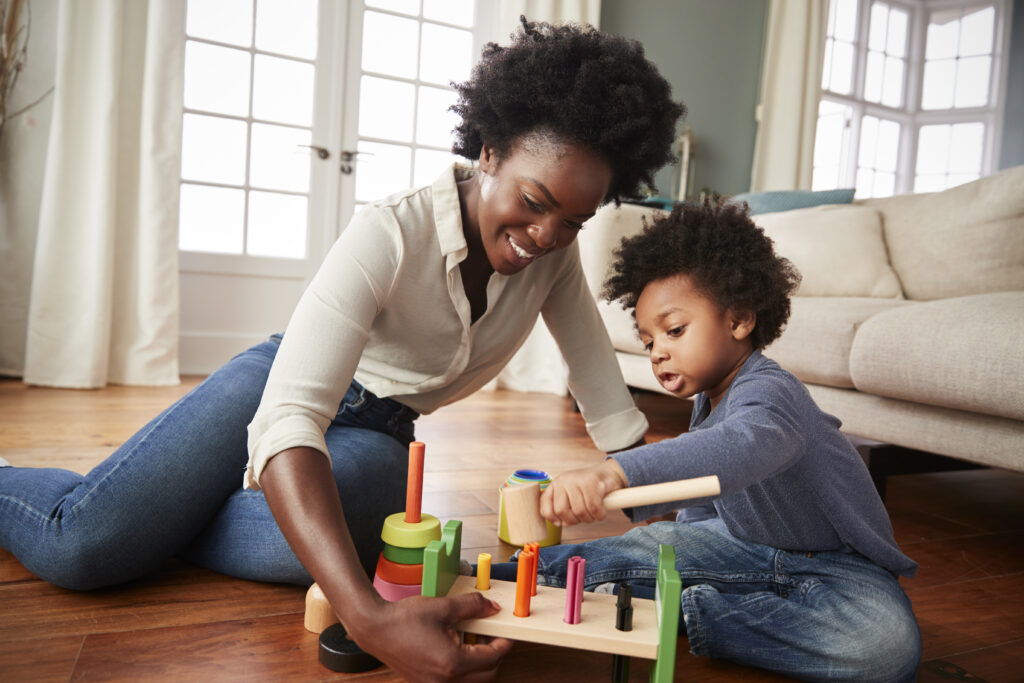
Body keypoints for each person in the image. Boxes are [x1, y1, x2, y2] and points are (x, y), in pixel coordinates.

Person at [0, 18, 685, 682]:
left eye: (573, 221)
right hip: (277, 388)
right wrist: (365, 616)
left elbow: (612, 410)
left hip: (378, 434)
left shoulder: (553, 264)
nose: (546, 234)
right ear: (490, 150)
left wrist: (677, 517)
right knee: (84, 547)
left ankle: (151, 516)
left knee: (325, 543)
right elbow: (289, 415)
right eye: (535, 201)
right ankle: (105, 511)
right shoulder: (389, 232)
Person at [493, 201, 922, 682]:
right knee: (647, 547)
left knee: (885, 649)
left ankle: (695, 611)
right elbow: (702, 505)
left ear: (739, 320)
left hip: (839, 570)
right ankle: (501, 579)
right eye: (649, 339)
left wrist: (614, 471)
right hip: (741, 548)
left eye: (674, 330)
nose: (658, 352)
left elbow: (736, 450)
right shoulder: (708, 400)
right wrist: (675, 536)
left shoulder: (772, 395)